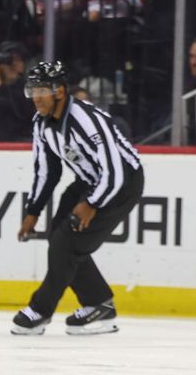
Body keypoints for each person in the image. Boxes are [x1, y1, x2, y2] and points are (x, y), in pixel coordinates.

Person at [13, 61, 144, 335]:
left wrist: (93, 203)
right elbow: (47, 171)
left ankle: (40, 310)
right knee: (62, 239)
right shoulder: (41, 123)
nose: (35, 97)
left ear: (59, 91)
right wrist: (33, 210)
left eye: (41, 91)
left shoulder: (88, 120)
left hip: (122, 183)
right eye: (32, 90)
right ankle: (99, 305)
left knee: (67, 243)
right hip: (88, 181)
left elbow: (115, 170)